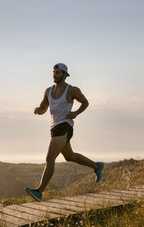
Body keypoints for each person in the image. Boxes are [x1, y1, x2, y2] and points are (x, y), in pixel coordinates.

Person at [25, 63, 104, 202]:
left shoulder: (71, 90)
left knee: (49, 159)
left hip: (65, 126)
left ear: (64, 75)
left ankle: (39, 191)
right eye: (53, 72)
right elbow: (44, 108)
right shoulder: (48, 91)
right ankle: (96, 166)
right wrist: (38, 110)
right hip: (54, 127)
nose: (54, 74)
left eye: (58, 72)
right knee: (69, 156)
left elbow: (85, 102)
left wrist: (76, 113)